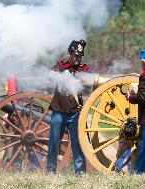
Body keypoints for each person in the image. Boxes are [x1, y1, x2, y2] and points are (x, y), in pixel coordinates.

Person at [47, 39, 89, 175]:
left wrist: (77, 80)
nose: (77, 58)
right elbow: (50, 75)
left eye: (80, 56)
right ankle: (50, 171)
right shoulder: (60, 65)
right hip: (58, 110)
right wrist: (61, 76)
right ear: (69, 54)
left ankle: (80, 173)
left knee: (78, 144)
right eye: (75, 55)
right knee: (54, 142)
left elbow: (87, 81)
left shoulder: (83, 69)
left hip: (75, 112)